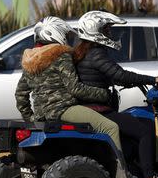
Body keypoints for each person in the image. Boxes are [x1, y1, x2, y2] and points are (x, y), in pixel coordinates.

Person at [74, 11, 158, 178]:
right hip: (99, 110)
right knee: (145, 130)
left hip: (90, 108)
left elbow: (111, 76)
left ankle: (135, 171)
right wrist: (152, 80)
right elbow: (120, 74)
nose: (110, 34)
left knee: (132, 131)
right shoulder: (96, 54)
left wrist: (127, 81)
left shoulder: (83, 53)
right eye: (107, 29)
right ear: (96, 32)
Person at [15, 16, 120, 150]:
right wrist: (104, 94)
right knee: (111, 128)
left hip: (42, 115)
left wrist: (31, 120)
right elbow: (75, 88)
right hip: (65, 110)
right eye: (65, 34)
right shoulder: (61, 55)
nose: (66, 38)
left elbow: (20, 95)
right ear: (56, 33)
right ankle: (121, 170)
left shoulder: (30, 61)